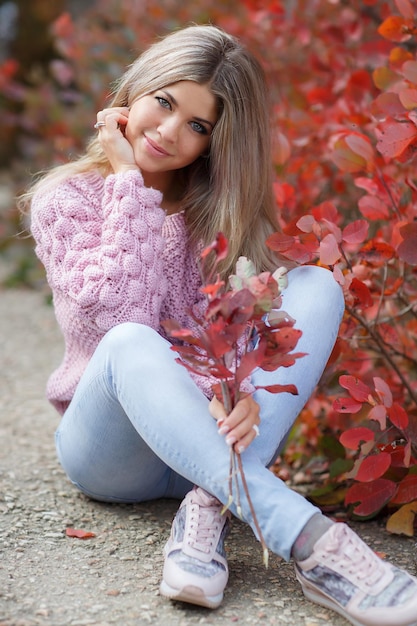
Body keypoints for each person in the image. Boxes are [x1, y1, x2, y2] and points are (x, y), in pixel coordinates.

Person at [23, 24, 417, 626]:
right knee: (133, 340)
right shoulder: (67, 199)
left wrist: (244, 390)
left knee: (316, 285)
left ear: (216, 142)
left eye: (199, 126)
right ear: (136, 91)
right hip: (109, 451)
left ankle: (206, 511)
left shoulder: (222, 216)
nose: (170, 132)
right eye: (165, 103)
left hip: (198, 450)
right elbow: (114, 318)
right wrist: (130, 183)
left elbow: (253, 337)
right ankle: (312, 543)